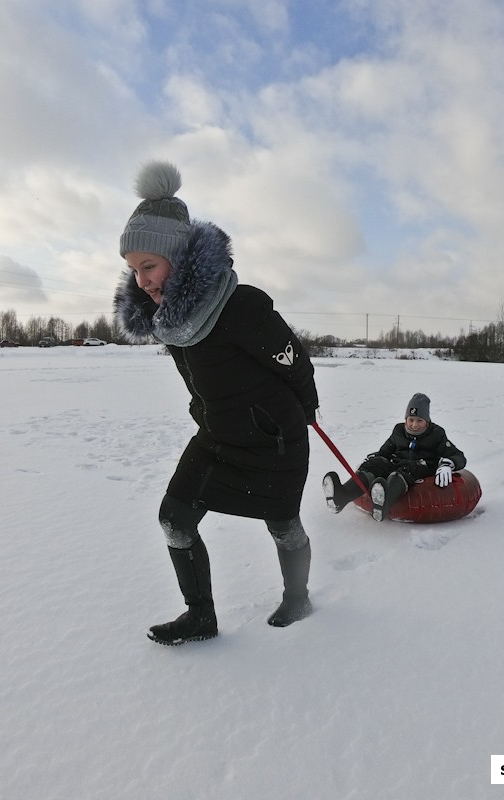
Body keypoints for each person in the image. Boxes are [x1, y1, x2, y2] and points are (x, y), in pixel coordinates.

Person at [113, 160, 319, 645]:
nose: (141, 280)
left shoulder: (240, 305)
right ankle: (200, 616)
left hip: (273, 439)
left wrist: (306, 407)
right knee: (173, 518)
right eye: (134, 270)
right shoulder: (171, 321)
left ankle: (297, 597)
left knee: (283, 524)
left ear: (178, 259)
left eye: (149, 266)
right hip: (217, 435)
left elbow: (294, 361)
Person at [322, 393, 466, 521]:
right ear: (406, 419)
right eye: (411, 420)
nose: (414, 425)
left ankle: (385, 501)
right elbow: (385, 451)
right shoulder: (399, 431)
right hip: (396, 463)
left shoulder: (436, 434)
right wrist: (371, 462)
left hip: (420, 466)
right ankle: (342, 496)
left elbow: (458, 456)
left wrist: (448, 464)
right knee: (376, 463)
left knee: (406, 469)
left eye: (419, 421)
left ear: (427, 421)